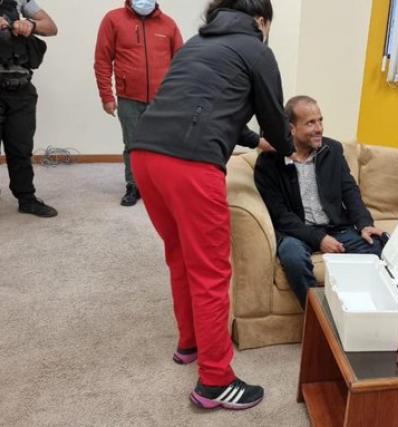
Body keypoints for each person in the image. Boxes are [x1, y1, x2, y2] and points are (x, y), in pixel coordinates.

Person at [128, 0, 292, 411]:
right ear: (260, 20)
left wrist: (254, 141)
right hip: (191, 163)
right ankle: (216, 380)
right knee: (212, 272)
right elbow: (275, 118)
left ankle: (190, 343)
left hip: (145, 155)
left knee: (180, 256)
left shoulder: (196, 46)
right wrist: (288, 147)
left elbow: (210, 106)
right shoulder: (257, 49)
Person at [254, 96, 386, 308]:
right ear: (292, 128)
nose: (319, 129)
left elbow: (349, 190)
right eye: (310, 123)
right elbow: (280, 215)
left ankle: (358, 310)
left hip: (336, 228)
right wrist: (319, 239)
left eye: (320, 121)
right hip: (296, 232)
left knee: (376, 246)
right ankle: (320, 316)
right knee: (293, 258)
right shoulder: (269, 162)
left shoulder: (332, 150)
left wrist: (364, 223)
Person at [94, 0, 183, 206]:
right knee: (133, 145)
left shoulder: (168, 24)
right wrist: (106, 96)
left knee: (161, 146)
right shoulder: (113, 19)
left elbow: (181, 62)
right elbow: (102, 60)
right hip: (129, 98)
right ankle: (134, 186)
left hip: (162, 100)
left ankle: (159, 185)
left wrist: (179, 96)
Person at [0, 0, 57, 217]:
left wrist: (30, 25)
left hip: (20, 90)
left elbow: (51, 27)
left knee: (21, 148)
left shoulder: (21, 2)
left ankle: (26, 199)